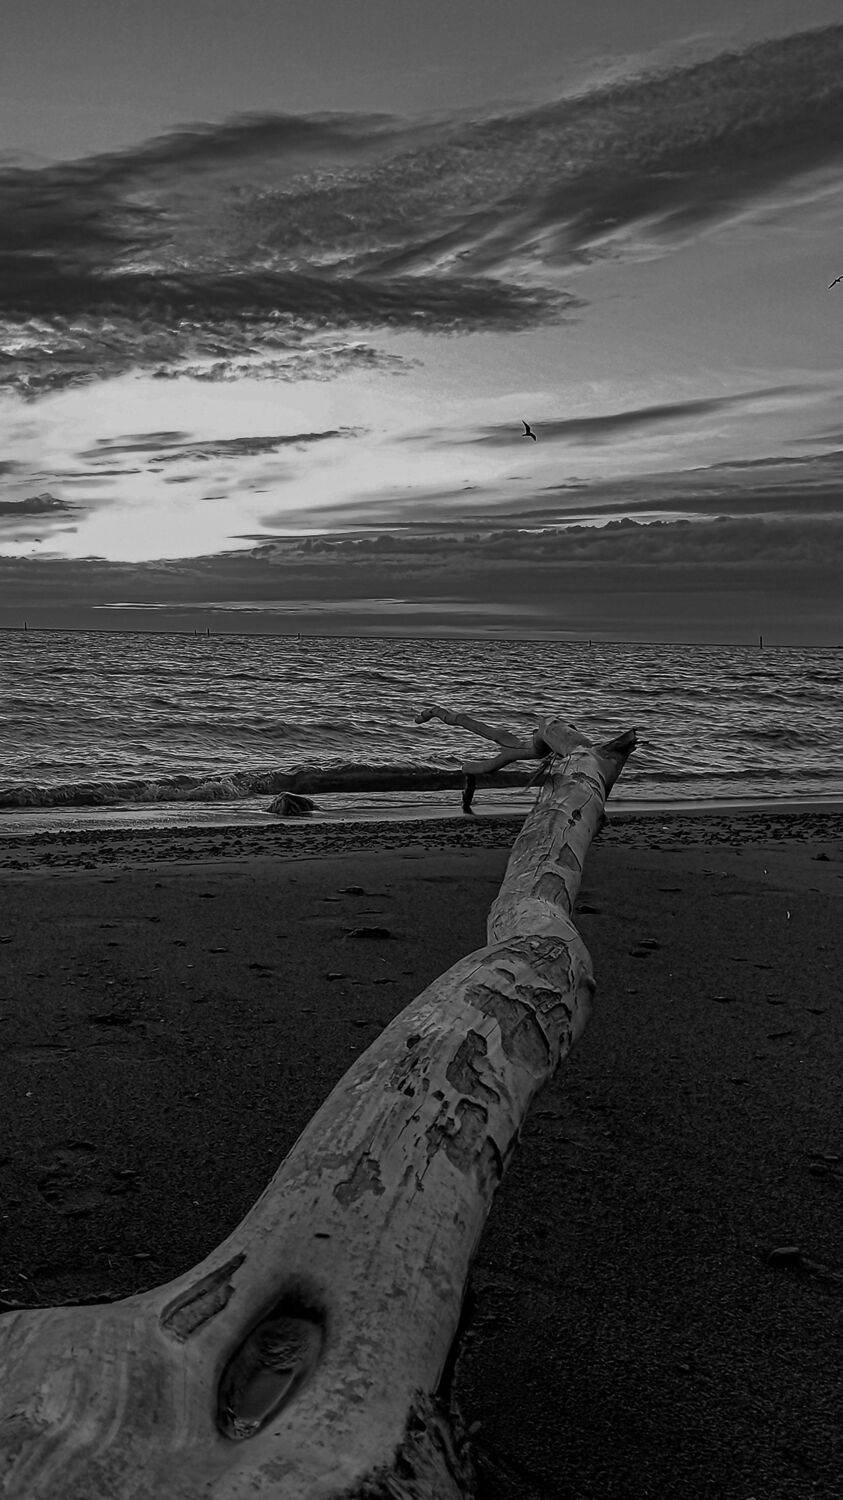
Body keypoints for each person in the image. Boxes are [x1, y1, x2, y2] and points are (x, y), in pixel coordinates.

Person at [414, 703, 591, 814]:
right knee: (471, 729)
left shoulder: (553, 739)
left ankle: (465, 775)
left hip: (516, 746)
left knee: (481, 758)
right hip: (516, 746)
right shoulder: (546, 737)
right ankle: (435, 713)